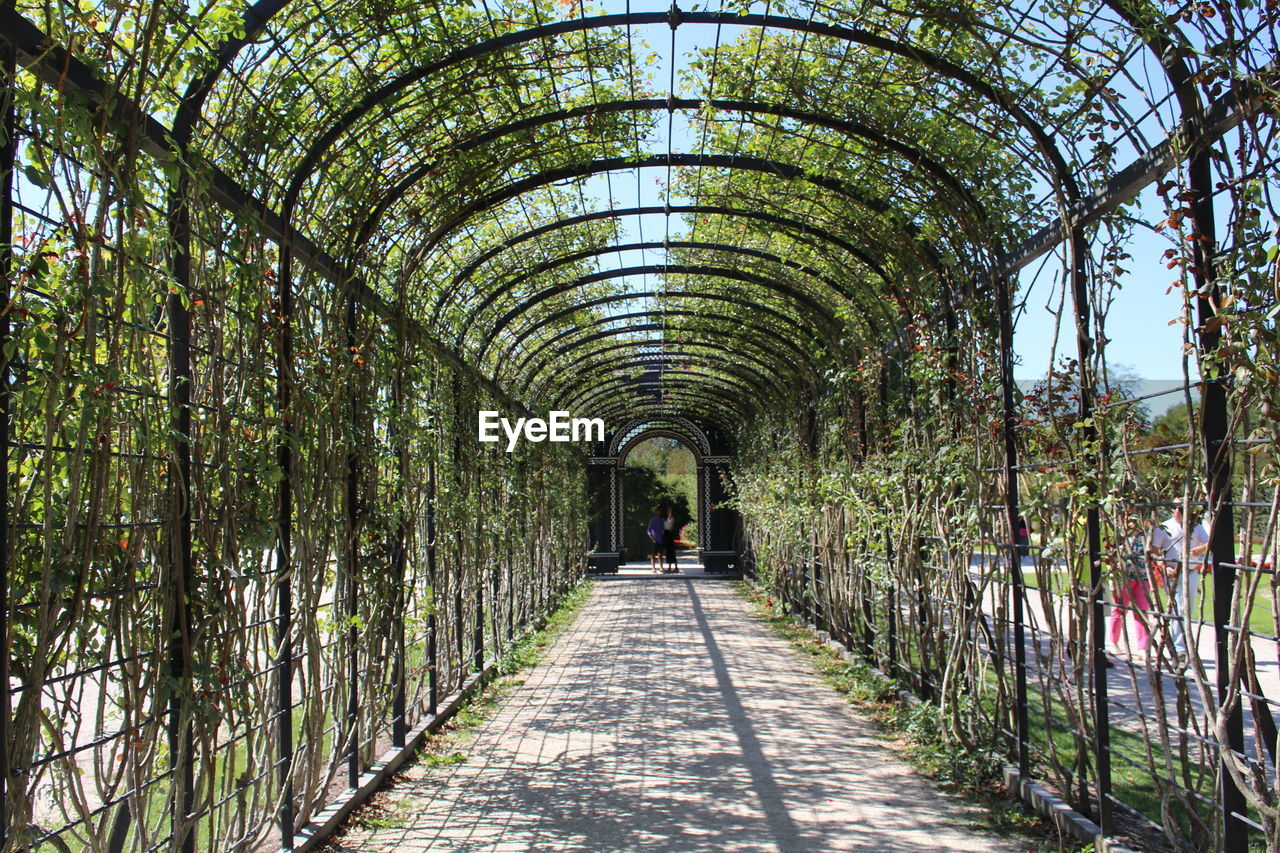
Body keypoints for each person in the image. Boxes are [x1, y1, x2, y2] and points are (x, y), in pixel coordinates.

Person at [1148, 503, 1209, 659]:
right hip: (1173, 573)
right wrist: (1162, 565)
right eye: (1174, 508)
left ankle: (1181, 644)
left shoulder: (1195, 526)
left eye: (1180, 508)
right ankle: (1179, 647)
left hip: (1191, 571)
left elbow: (1209, 542)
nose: (1176, 511)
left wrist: (1197, 550)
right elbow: (1153, 552)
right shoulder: (1164, 527)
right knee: (1179, 608)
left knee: (1187, 608)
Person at [1109, 516, 1152, 654]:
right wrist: (1114, 580)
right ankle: (1114, 642)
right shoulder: (1118, 538)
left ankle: (1142, 647)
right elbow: (1111, 559)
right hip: (1124, 578)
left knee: (1142, 612)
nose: (1132, 525)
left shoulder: (1144, 537)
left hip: (1142, 578)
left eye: (1134, 521)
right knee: (1119, 610)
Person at [646, 507, 666, 572]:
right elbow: (649, 530)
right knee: (653, 554)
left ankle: (661, 567)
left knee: (660, 554)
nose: (660, 513)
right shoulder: (652, 520)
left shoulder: (663, 520)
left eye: (660, 511)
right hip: (654, 539)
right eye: (658, 511)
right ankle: (653, 567)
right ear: (656, 512)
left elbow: (664, 529)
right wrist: (651, 537)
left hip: (661, 539)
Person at [662, 506, 678, 573]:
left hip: (669, 535)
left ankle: (675, 567)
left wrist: (666, 527)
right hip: (666, 534)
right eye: (668, 510)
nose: (669, 511)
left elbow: (671, 527)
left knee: (671, 551)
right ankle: (669, 566)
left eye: (670, 510)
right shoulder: (667, 518)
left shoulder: (672, 518)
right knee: (668, 551)